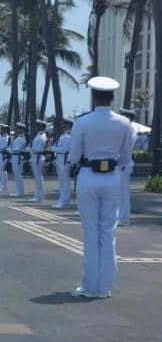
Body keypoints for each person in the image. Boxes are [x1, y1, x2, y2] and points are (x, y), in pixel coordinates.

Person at [68, 76, 133, 299]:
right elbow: (125, 158)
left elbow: (74, 155)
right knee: (108, 232)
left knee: (91, 232)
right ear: (113, 97)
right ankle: (104, 287)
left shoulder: (82, 122)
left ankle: (89, 285)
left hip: (88, 178)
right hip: (112, 178)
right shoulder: (124, 123)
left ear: (94, 96)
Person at [117, 108, 137, 225]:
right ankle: (121, 216)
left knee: (123, 193)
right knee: (119, 192)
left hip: (124, 164)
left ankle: (124, 218)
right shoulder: (125, 130)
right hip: (121, 164)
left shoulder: (129, 131)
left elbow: (126, 149)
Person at [50, 118, 73, 209]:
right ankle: (62, 200)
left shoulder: (68, 136)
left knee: (64, 181)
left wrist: (52, 148)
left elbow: (64, 150)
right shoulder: (63, 135)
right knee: (61, 181)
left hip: (64, 159)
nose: (62, 126)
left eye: (64, 124)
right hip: (60, 159)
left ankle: (64, 201)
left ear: (68, 125)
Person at [29, 120, 48, 202]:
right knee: (37, 178)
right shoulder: (39, 135)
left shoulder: (42, 136)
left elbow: (40, 149)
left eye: (37, 125)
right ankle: (38, 195)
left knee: (38, 178)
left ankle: (39, 196)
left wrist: (31, 149)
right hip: (35, 157)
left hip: (38, 157)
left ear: (41, 127)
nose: (35, 127)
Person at [10, 125, 28, 197]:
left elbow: (17, 149)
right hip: (15, 157)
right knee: (16, 175)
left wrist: (10, 150)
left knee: (18, 175)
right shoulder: (18, 137)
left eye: (17, 129)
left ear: (21, 130)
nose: (16, 130)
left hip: (18, 157)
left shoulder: (21, 138)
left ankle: (20, 192)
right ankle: (18, 191)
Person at [0, 124, 10, 194]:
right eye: (1, 129)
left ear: (5, 130)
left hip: (3, 155)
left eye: (2, 129)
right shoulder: (1, 137)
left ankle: (4, 187)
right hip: (0, 155)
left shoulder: (6, 137)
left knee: (3, 172)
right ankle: (3, 186)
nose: (1, 130)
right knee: (1, 172)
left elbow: (5, 147)